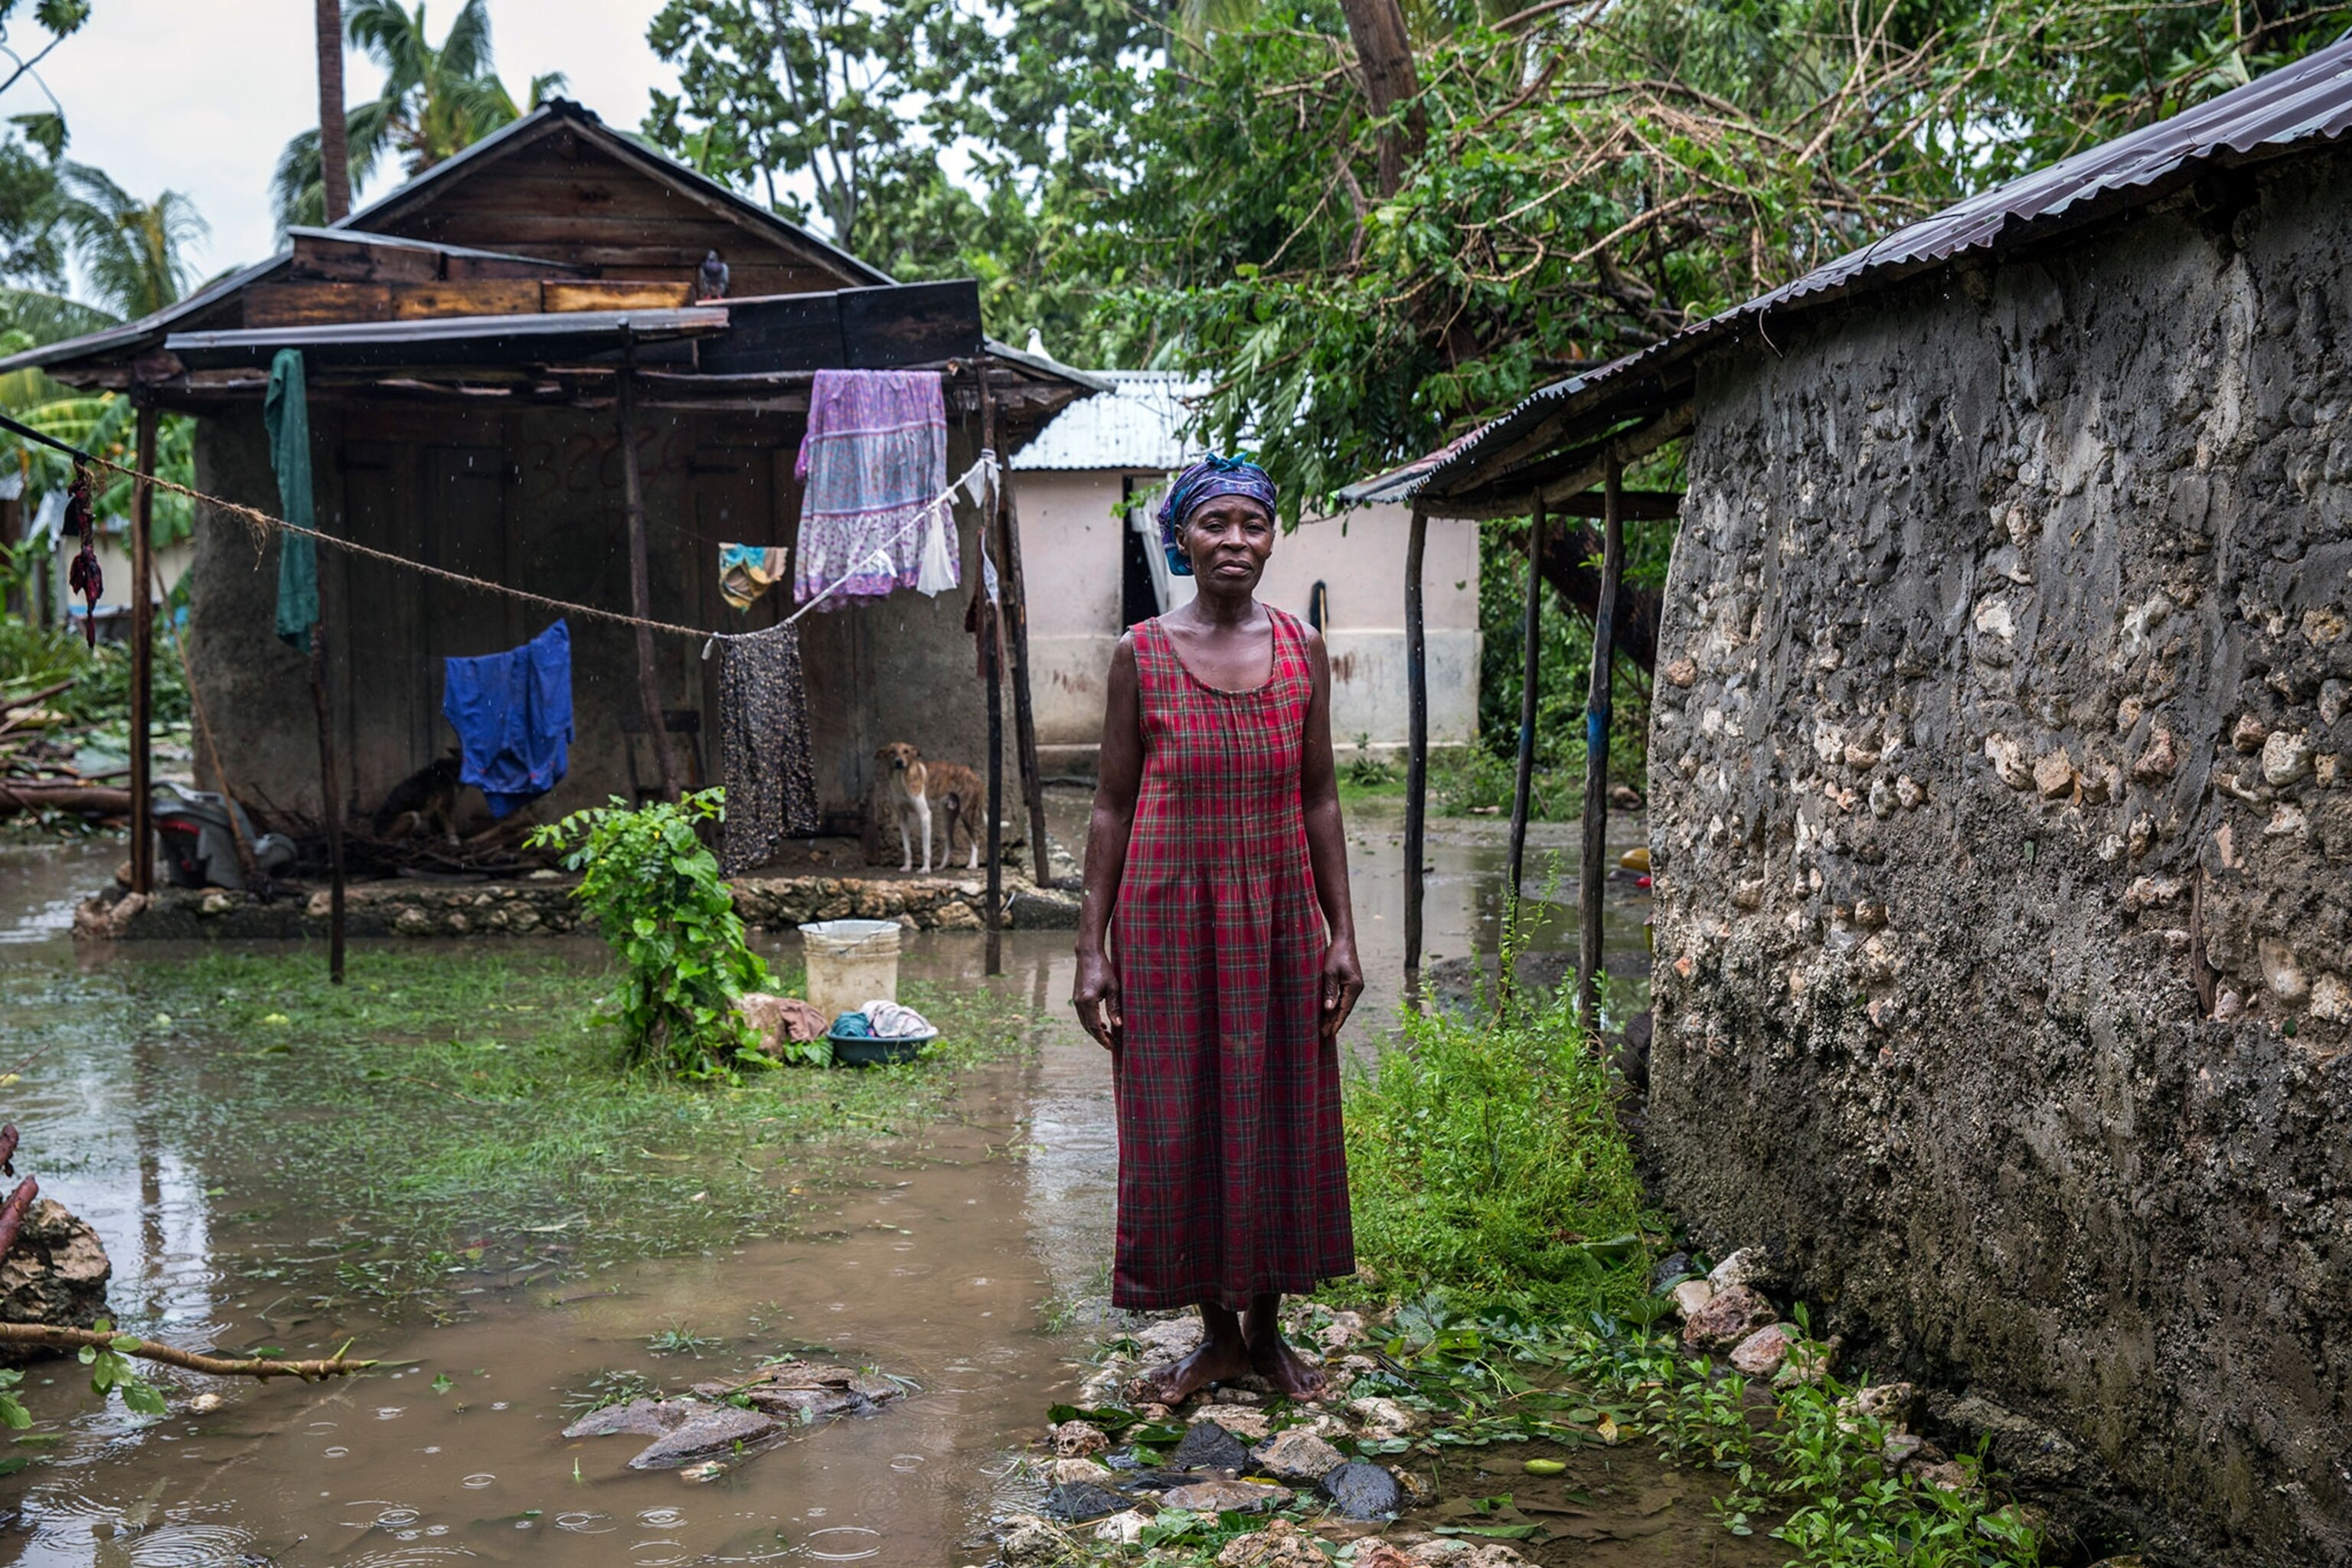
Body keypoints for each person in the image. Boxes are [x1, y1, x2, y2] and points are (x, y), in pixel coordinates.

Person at [1070, 454, 1365, 1403]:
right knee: (1180, 1112)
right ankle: (1212, 1335)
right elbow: (1111, 807)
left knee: (1279, 1107)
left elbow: (1319, 797)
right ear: (1181, 538)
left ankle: (1268, 1334)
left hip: (1278, 917)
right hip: (1165, 917)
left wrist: (1342, 932)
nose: (1235, 541)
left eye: (1252, 524)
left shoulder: (1300, 647)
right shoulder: (1140, 654)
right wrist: (1090, 948)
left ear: (1272, 536)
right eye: (1215, 525)